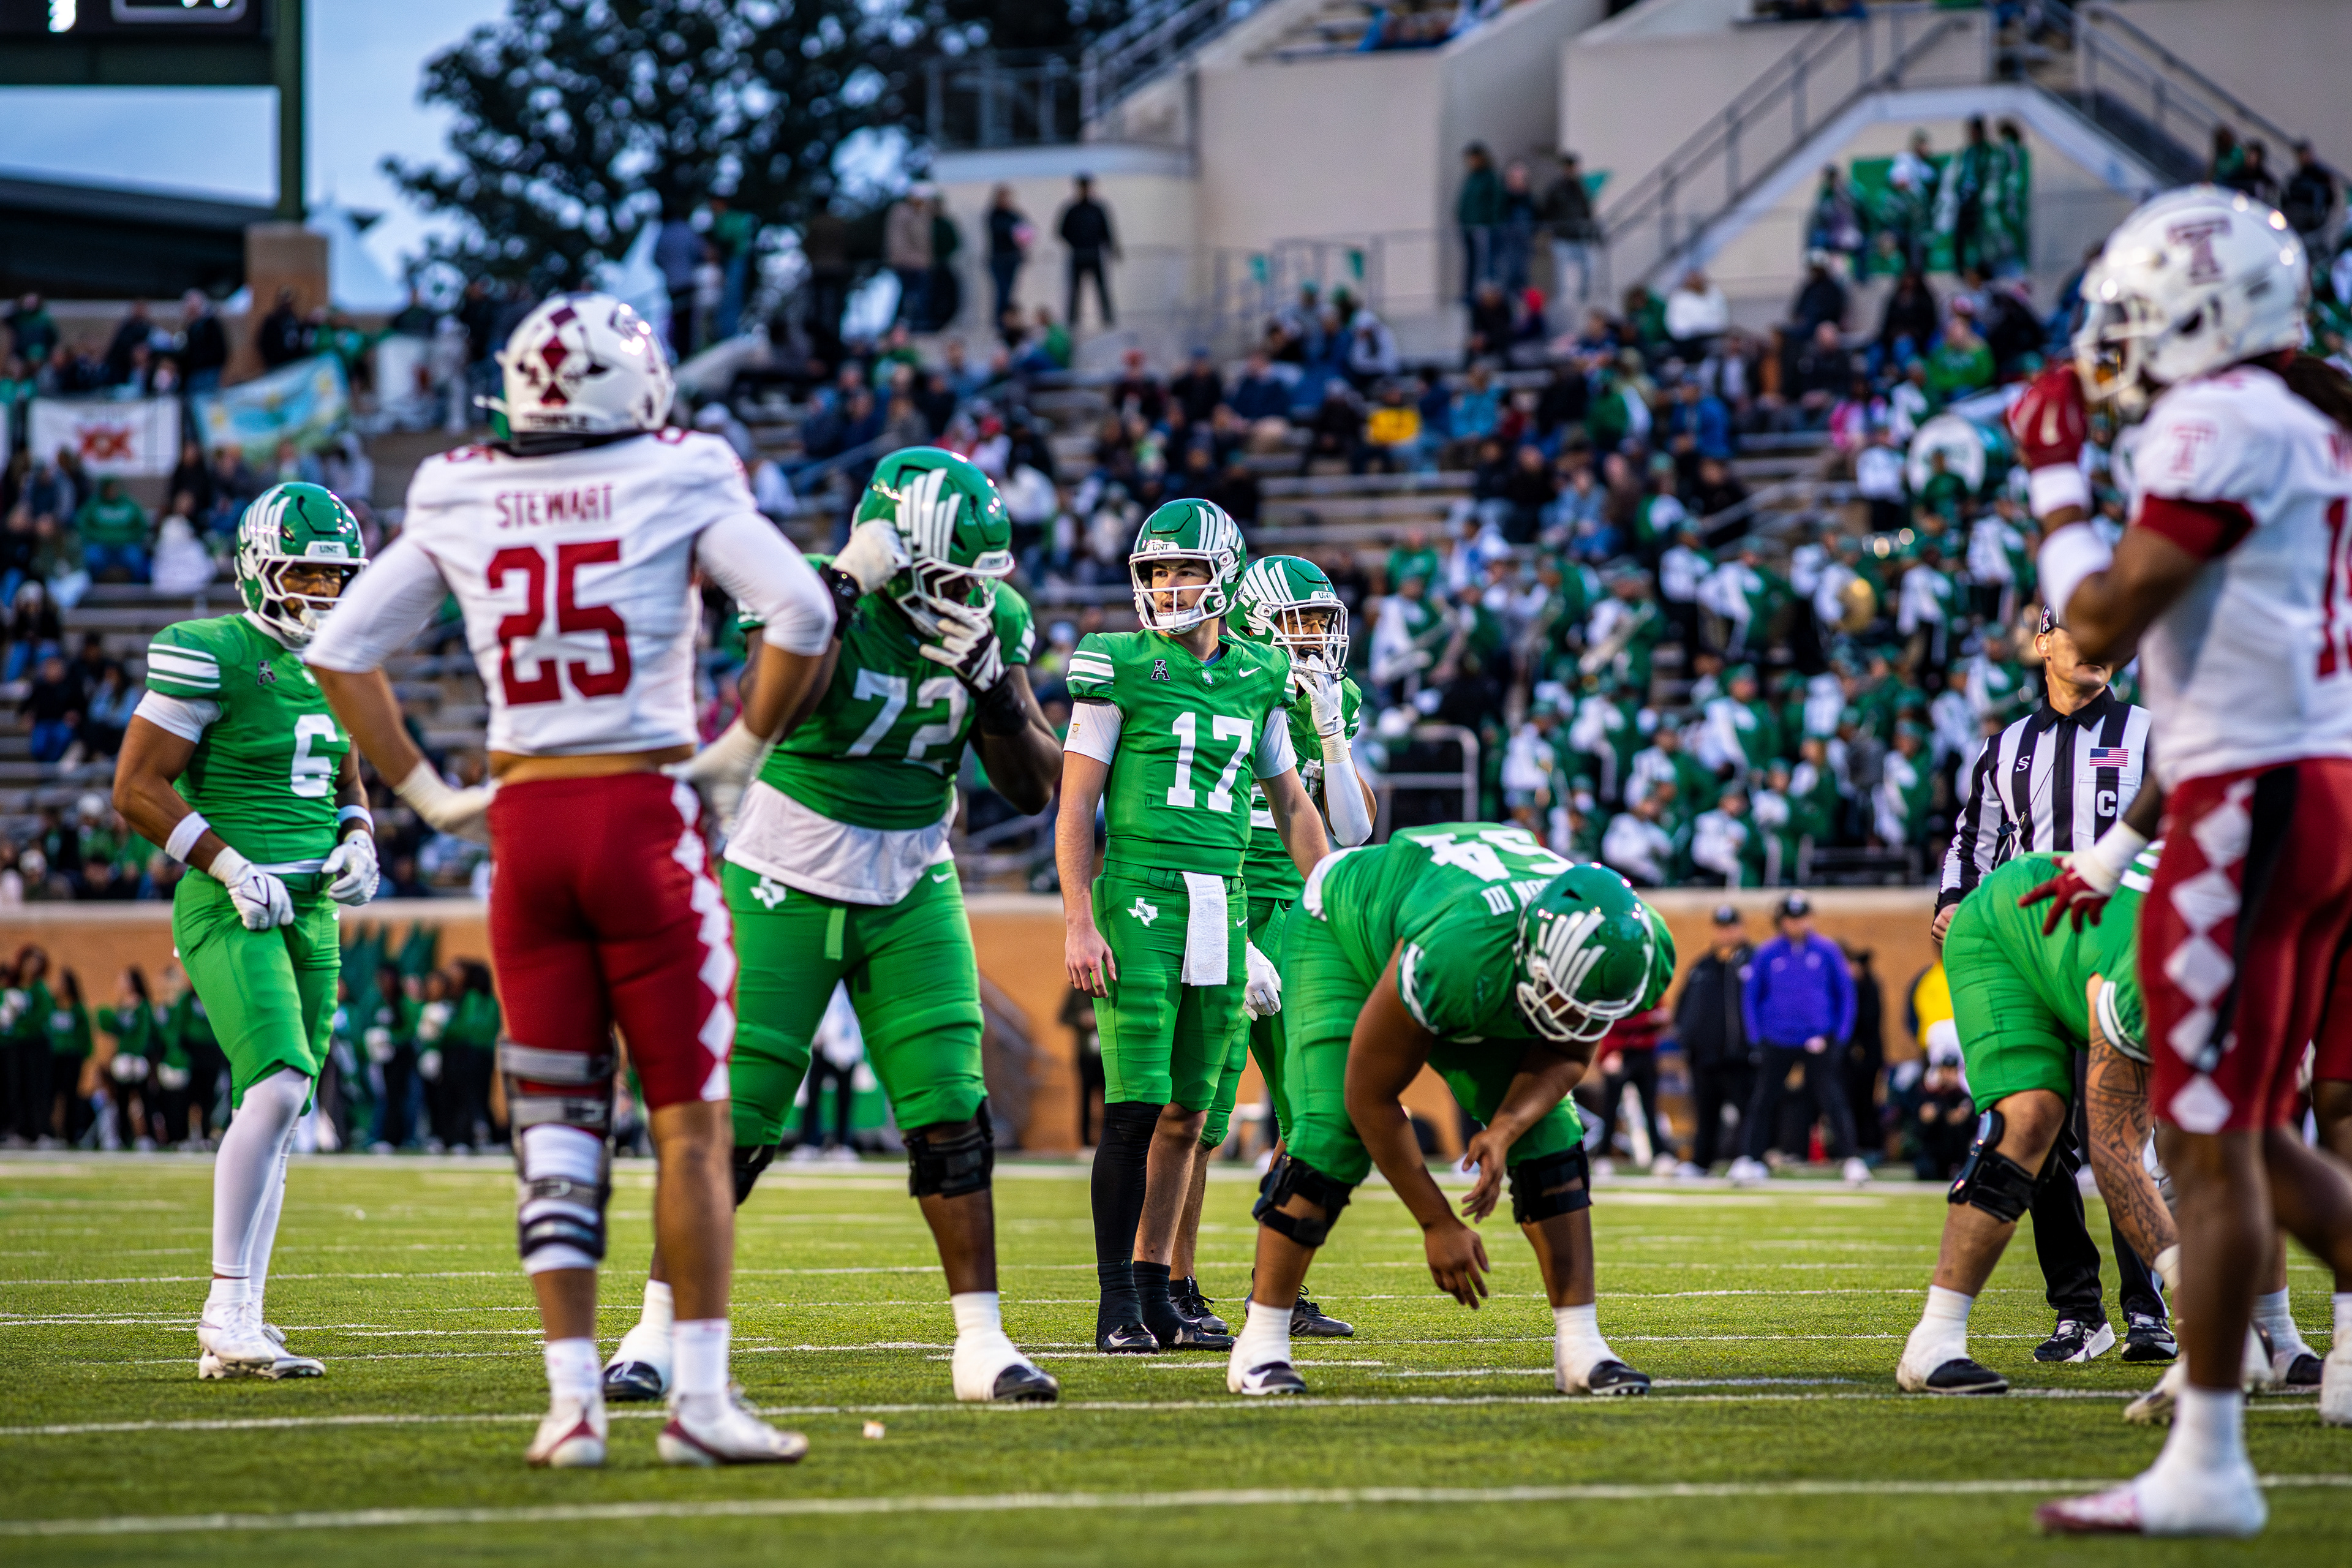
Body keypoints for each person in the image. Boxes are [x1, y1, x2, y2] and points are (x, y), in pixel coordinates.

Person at [304, 292, 837, 1469]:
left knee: (555, 1129)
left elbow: (341, 647)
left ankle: (571, 1409)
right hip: (642, 809)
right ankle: (698, 1401)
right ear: (634, 388)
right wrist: (743, 746)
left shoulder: (457, 483)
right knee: (691, 1124)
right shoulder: (682, 467)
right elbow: (800, 608)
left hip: (527, 822)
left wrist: (431, 793)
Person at [600, 447, 1065, 1408]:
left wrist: (998, 686)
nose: (966, 598)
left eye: (979, 582)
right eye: (946, 577)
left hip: (910, 875)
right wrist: (833, 603)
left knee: (950, 1100)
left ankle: (981, 1339)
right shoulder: (809, 598)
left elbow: (1032, 785)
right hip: (785, 870)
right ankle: (656, 1330)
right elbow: (774, 715)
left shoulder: (996, 621)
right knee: (739, 1110)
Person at [2024, 186, 2352, 1537]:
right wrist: (2113, 844)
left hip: (2256, 799)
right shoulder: (2309, 422)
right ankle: (2210, 1457)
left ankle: (2212, 1460)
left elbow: (2106, 609)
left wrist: (2051, 477)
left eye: (2144, 313)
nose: (2121, 342)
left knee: (2216, 1141)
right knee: (2245, 1132)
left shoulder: (2219, 418)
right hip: (2291, 780)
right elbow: (2201, 662)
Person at [1226, 837, 1668, 1397]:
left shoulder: (1636, 940)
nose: (1570, 1018)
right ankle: (1261, 1342)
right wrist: (1437, 1221)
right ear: (1533, 955)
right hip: (1343, 924)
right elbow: (1370, 1095)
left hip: (1464, 939)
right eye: (1561, 998)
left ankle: (1582, 1346)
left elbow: (1574, 1047)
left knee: (1551, 1133)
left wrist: (1504, 1128)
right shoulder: (1459, 953)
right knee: (1330, 1131)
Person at [110, 483, 377, 1382]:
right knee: (278, 1083)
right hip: (233, 900)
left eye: (340, 577)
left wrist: (358, 837)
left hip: (312, 904)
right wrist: (227, 864)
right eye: (308, 574)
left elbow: (342, 772)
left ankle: (243, 1325)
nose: (327, 594)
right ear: (261, 571)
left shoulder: (342, 662)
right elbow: (138, 788)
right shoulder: (211, 651)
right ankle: (225, 1309)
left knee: (286, 1108)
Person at [1056, 499, 1329, 1354]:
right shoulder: (1117, 663)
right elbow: (1075, 808)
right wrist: (1077, 917)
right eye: (1155, 572)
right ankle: (1114, 1307)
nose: (1169, 587)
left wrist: (1328, 895)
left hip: (1226, 899)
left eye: (1185, 570)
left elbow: (1291, 802)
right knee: (1135, 1110)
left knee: (1189, 1114)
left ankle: (1157, 1292)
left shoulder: (1260, 674)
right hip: (1140, 900)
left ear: (1224, 574)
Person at [1934, 604, 2165, 1356]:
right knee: (2039, 1135)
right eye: (2078, 632)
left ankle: (2149, 1309)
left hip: (2119, 951)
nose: (2096, 647)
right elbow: (1977, 838)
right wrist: (1953, 902)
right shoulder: (2007, 747)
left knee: (2121, 1133)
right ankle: (2079, 1311)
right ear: (2042, 643)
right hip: (2035, 956)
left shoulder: (2149, 732)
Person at [1166, 556, 1378, 1341]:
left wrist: (1332, 730)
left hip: (1299, 907)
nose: (1318, 635)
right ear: (1254, 621)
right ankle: (1173, 1281)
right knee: (1202, 1108)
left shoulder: (1337, 697)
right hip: (1220, 893)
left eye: (1325, 619)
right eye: (1301, 619)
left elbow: (1353, 831)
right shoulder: (1231, 674)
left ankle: (1277, 1285)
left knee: (1315, 1107)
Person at [1898, 833, 2178, 1395]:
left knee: (2231, 1142)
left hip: (2102, 936)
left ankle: (2278, 1334)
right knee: (2029, 1122)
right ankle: (1935, 1341)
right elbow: (2113, 1153)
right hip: (2004, 931)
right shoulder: (2146, 979)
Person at [1732, 892, 1864, 1184]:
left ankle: (1851, 1159)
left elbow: (1846, 994)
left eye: (1802, 917)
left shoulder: (1827, 951)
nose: (1797, 924)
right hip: (1777, 1037)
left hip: (1818, 1037)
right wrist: (1756, 1038)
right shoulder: (1766, 953)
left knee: (1831, 1098)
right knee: (1764, 1098)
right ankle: (1750, 1158)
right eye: (1791, 918)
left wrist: (1840, 1035)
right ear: (1782, 921)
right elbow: (1751, 997)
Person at [1675, 906, 1755, 1174]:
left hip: (1741, 1056)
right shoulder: (1702, 966)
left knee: (1747, 1111)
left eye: (1731, 926)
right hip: (1705, 1056)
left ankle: (1748, 1159)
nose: (1727, 933)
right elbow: (1685, 1007)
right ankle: (1701, 1162)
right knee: (1706, 1113)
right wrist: (1687, 1041)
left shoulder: (1753, 963)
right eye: (1721, 927)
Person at [1057, 175, 1118, 330]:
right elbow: (1062, 231)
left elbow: (1107, 232)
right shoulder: (1072, 210)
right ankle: (1072, 322)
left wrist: (1113, 248)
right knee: (1075, 290)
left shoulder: (1097, 210)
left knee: (1102, 288)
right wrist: (1075, 244)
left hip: (1094, 254)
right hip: (1078, 255)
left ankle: (1108, 320)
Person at [1543, 153, 1600, 310]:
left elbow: (1587, 212)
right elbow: (1546, 211)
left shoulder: (1581, 188)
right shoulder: (1556, 188)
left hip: (1579, 237)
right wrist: (1553, 230)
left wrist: (1592, 233)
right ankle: (1564, 304)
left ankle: (1584, 298)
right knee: (1563, 276)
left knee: (1590, 266)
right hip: (1562, 237)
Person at [986, 184, 1031, 329]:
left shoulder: (1014, 215)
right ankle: (1000, 323)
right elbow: (1000, 230)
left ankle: (1009, 322)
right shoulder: (994, 215)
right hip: (999, 260)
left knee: (1009, 292)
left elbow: (1026, 231)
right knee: (1002, 291)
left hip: (1012, 259)